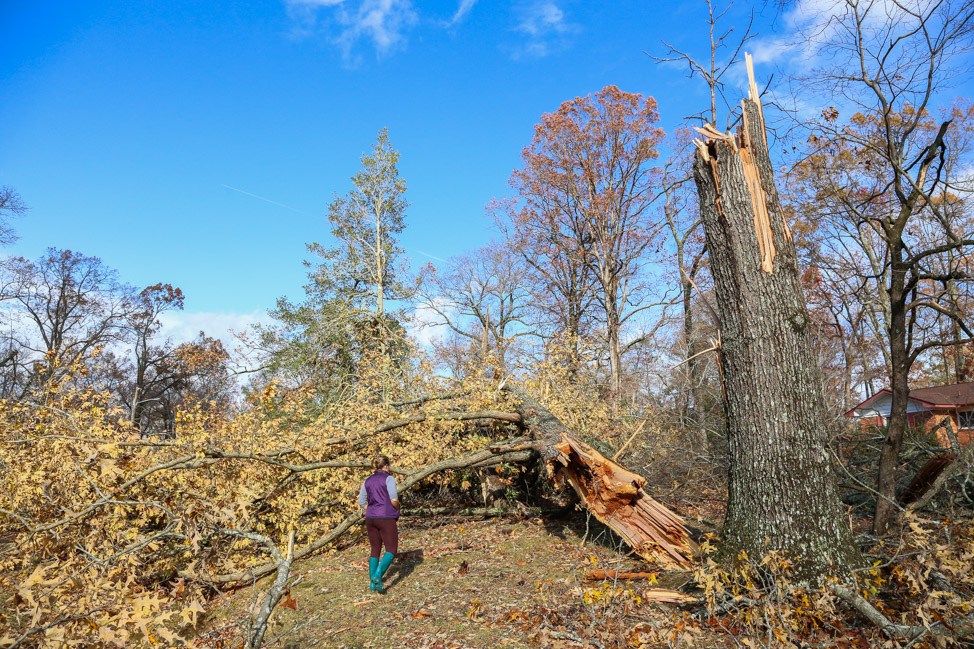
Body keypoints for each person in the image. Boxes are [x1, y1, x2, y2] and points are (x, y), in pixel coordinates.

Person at [358, 454, 400, 592]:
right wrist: (398, 506)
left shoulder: (367, 480)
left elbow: (361, 502)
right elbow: (393, 499)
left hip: (370, 518)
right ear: (386, 465)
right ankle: (377, 575)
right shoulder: (389, 478)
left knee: (375, 549)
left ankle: (372, 584)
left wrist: (370, 509)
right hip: (386, 517)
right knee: (391, 550)